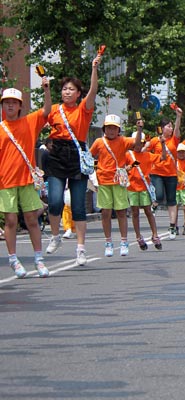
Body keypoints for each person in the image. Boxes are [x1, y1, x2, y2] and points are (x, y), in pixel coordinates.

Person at [43, 49, 102, 267]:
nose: (67, 92)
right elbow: (42, 115)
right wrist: (46, 90)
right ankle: (56, 236)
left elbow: (94, 90)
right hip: (57, 155)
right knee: (56, 201)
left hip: (76, 154)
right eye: (65, 89)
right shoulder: (55, 111)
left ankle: (80, 249)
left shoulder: (83, 110)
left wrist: (94, 68)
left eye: (72, 89)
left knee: (78, 206)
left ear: (78, 94)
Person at [1, 77, 52, 278]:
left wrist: (46, 90)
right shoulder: (0, 128)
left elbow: (46, 112)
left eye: (13, 102)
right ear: (3, 106)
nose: (10, 105)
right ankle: (13, 259)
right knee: (11, 220)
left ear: (20, 106)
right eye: (6, 102)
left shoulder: (29, 122)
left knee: (32, 219)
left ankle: (38, 259)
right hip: (5, 182)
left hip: (26, 180)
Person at [91, 114, 141, 257]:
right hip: (103, 181)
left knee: (120, 211)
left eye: (114, 128)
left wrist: (139, 128)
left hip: (118, 180)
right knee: (106, 212)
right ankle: (108, 242)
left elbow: (137, 144)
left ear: (118, 130)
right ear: (104, 129)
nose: (111, 131)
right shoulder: (98, 142)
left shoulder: (123, 141)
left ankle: (124, 241)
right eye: (108, 128)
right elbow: (90, 156)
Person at [147, 108, 183, 240]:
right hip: (156, 172)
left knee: (172, 201)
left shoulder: (174, 140)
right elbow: (145, 150)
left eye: (171, 126)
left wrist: (178, 117)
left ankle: (172, 226)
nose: (171, 128)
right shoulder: (155, 141)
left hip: (171, 174)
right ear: (162, 128)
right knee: (159, 195)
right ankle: (154, 204)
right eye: (168, 126)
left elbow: (178, 129)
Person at [126, 141, 162, 251]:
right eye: (136, 144)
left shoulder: (147, 155)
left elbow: (163, 157)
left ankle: (155, 235)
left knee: (148, 211)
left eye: (140, 143)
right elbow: (124, 168)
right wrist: (132, 165)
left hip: (144, 187)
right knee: (135, 212)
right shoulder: (128, 154)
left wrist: (163, 144)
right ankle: (138, 236)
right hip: (132, 187)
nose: (138, 146)